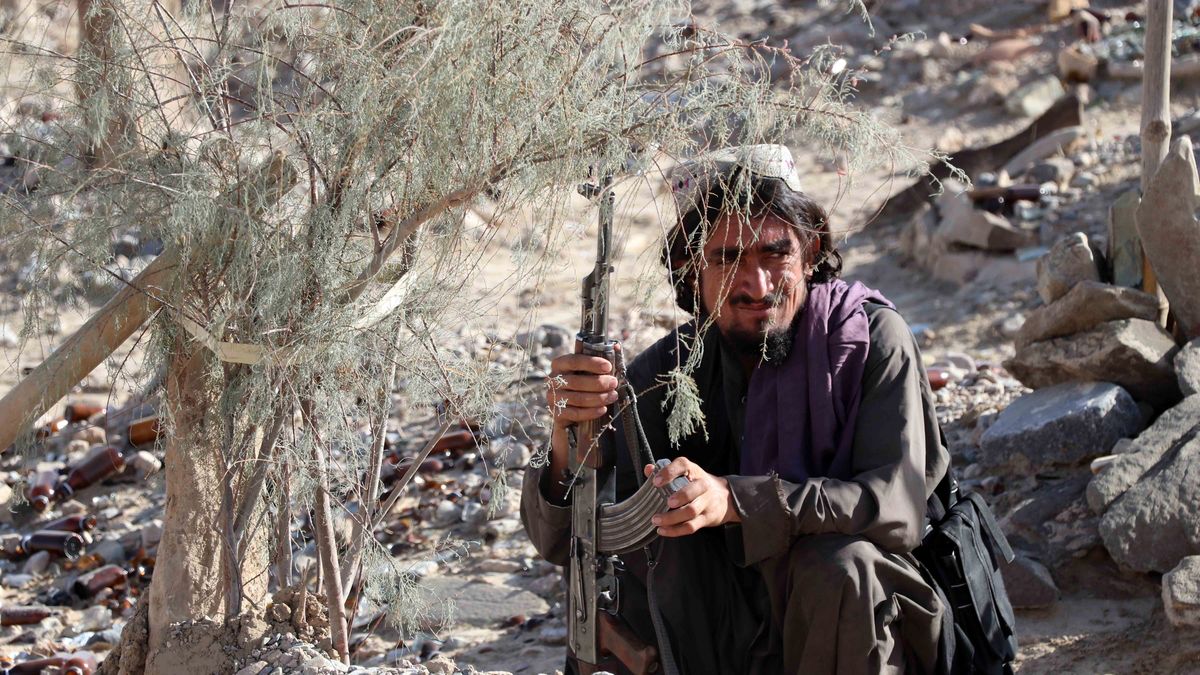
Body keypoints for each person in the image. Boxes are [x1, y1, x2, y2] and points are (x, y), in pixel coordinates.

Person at [520, 145, 949, 675]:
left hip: (846, 628)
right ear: (690, 268)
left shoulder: (869, 341)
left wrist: (737, 501)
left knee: (842, 568)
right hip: (722, 634)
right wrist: (568, 433)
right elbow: (566, 541)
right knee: (661, 546)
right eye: (728, 259)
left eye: (775, 254)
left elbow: (897, 508)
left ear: (810, 252)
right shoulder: (665, 372)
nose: (757, 286)